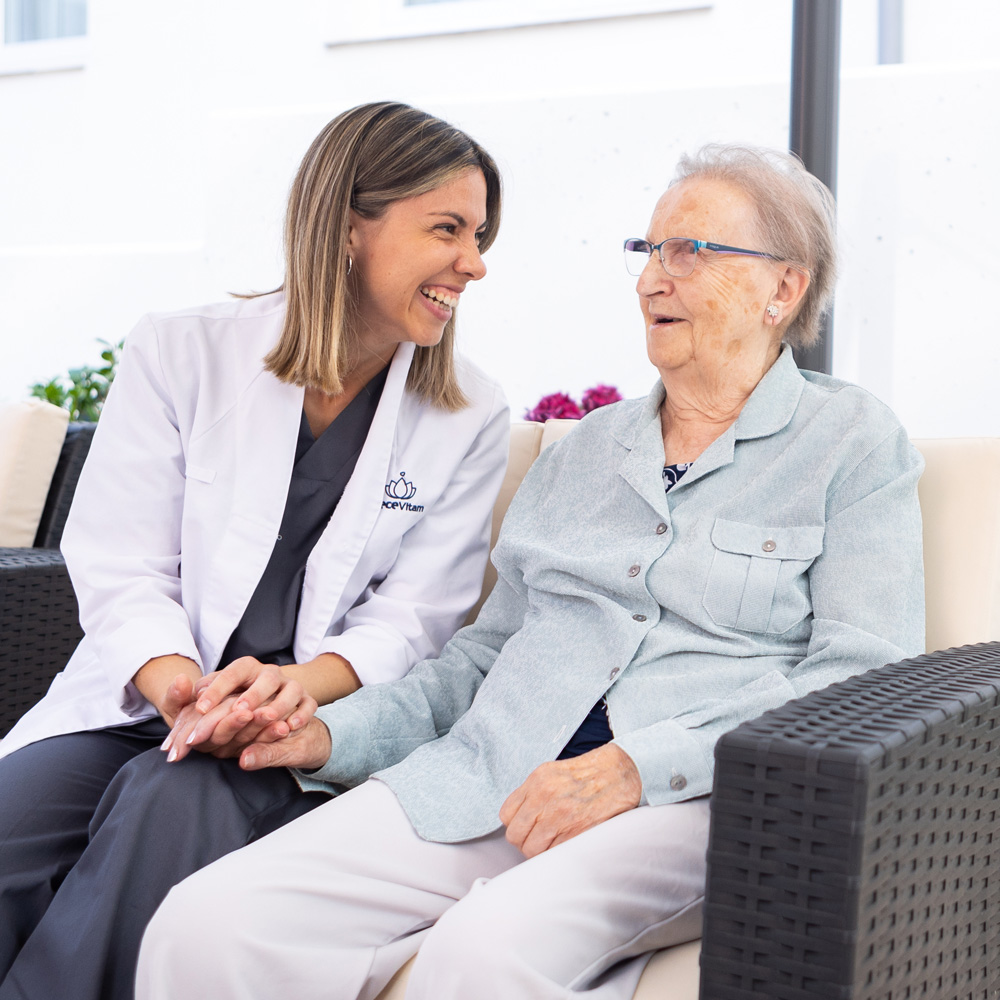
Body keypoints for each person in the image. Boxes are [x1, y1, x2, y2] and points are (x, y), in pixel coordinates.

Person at [137, 144, 925, 1000]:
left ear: (784, 289)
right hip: (494, 772)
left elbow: (861, 676)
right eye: (650, 251)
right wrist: (332, 734)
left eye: (691, 251)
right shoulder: (583, 451)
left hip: (689, 802)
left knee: (479, 955)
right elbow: (480, 662)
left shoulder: (852, 443)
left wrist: (633, 767)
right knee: (207, 920)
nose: (653, 279)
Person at [0, 102, 509, 1000]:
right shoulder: (180, 352)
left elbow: (414, 620)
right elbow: (120, 564)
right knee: (12, 822)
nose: (474, 262)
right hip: (146, 691)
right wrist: (184, 693)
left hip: (300, 725)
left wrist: (285, 693)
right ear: (352, 226)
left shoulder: (468, 413)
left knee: (166, 810)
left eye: (478, 235)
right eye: (448, 229)